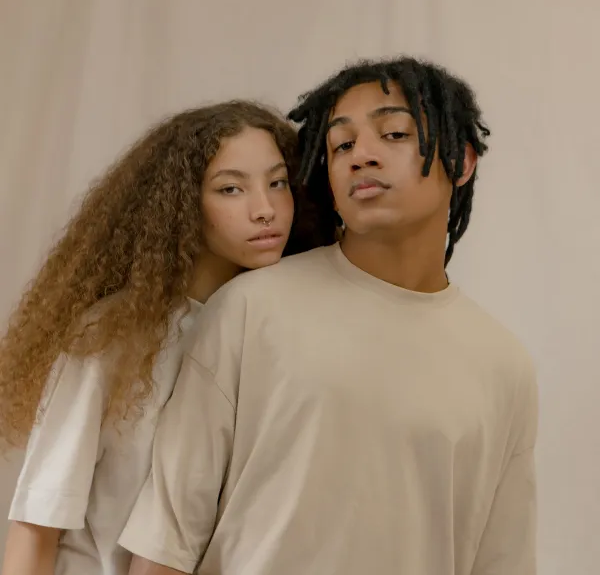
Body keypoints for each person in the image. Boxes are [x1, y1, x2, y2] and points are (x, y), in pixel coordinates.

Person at [122, 57, 538, 575]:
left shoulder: (503, 365)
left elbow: (501, 560)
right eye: (341, 145)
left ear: (462, 161)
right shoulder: (252, 309)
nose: (361, 155)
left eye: (393, 133)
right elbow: (166, 542)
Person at [0, 100, 320, 575]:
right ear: (182, 205)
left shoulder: (281, 331)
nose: (265, 210)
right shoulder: (113, 336)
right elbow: (38, 520)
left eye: (277, 183)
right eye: (231, 189)